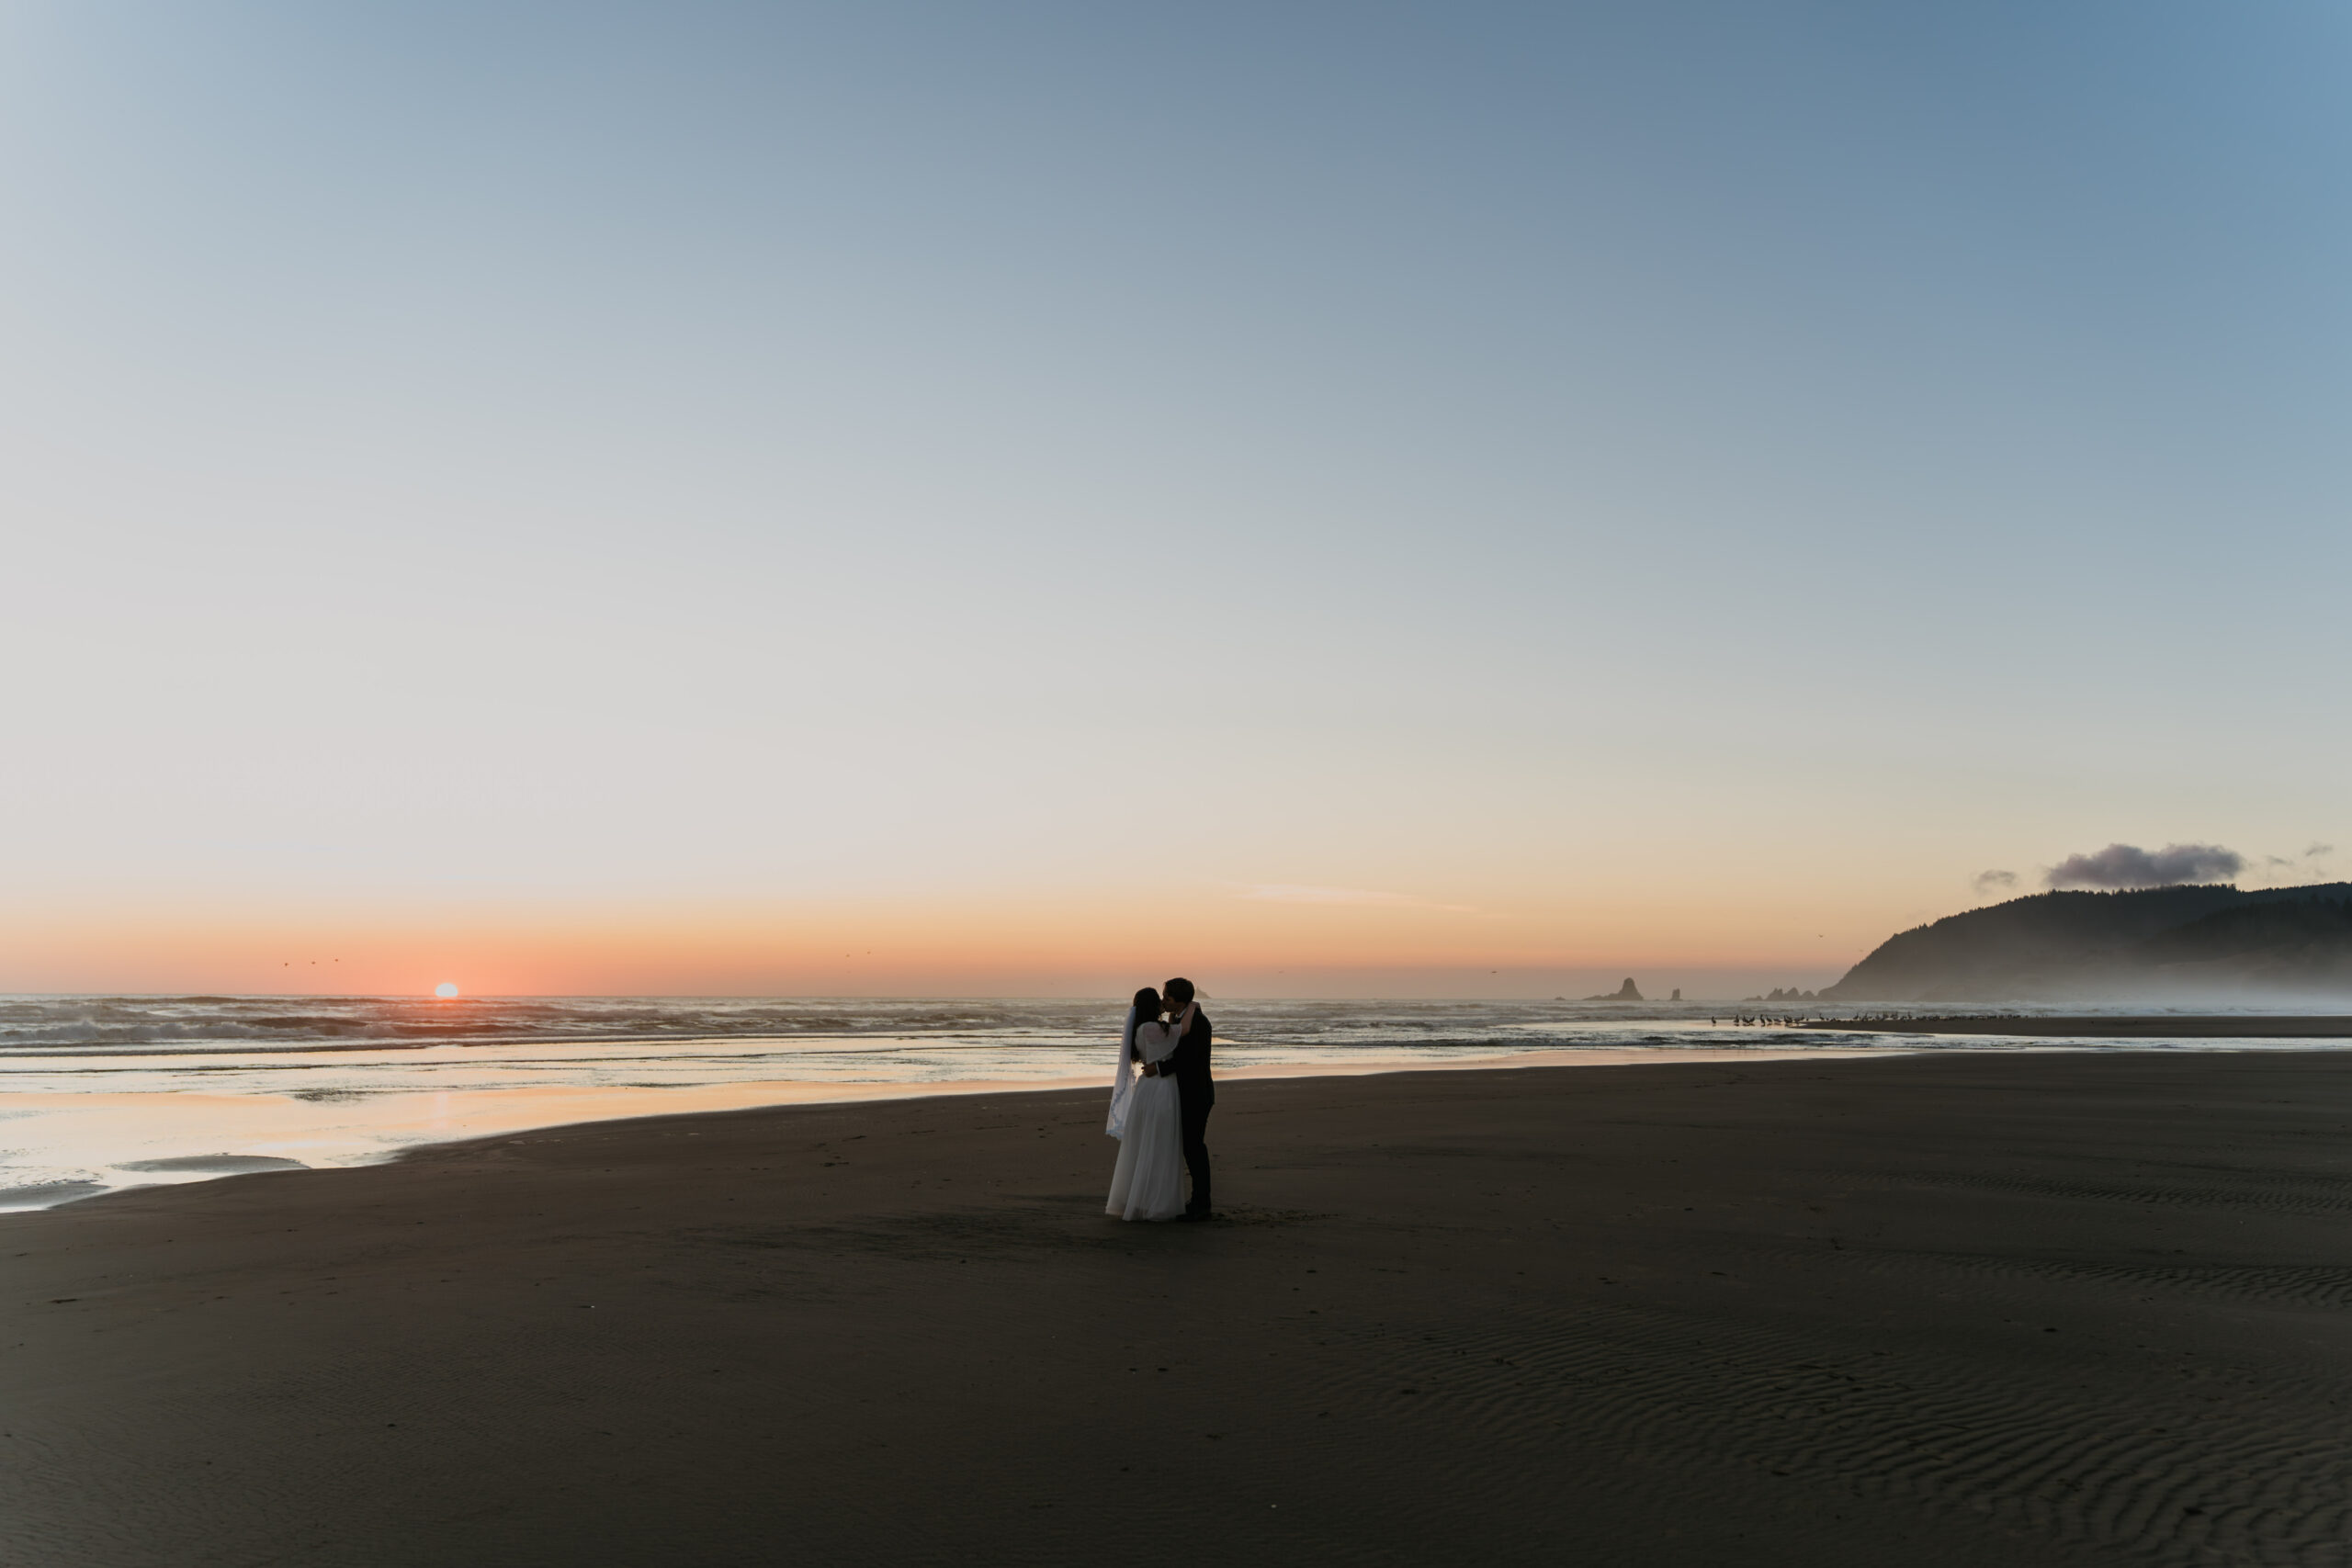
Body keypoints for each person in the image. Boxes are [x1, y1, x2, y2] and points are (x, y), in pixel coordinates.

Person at [1104, 987, 1186, 1221]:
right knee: (1159, 1142)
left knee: (1144, 1143)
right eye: (1159, 1000)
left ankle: (1140, 1197)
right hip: (1162, 1086)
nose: (1163, 1002)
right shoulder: (1154, 1029)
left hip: (1146, 1087)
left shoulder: (1142, 1029)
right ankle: (1156, 1201)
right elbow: (1184, 1030)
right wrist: (1192, 1009)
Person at [1156, 976, 1215, 1220]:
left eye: (1167, 996)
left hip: (1196, 1093)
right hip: (1187, 1093)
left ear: (1178, 999)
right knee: (1190, 1147)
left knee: (1194, 1147)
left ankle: (1201, 1204)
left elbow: (1188, 1059)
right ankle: (1198, 1200)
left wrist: (1158, 1069)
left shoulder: (1198, 1023)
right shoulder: (1181, 1018)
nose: (1163, 1000)